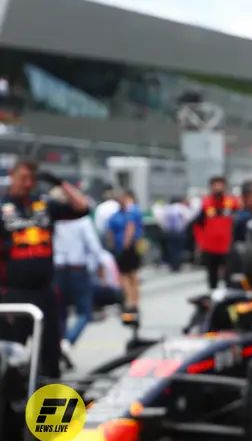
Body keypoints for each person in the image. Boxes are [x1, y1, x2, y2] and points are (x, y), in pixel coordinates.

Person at [0, 160, 89, 378]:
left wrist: (60, 183)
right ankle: (11, 408)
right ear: (12, 175)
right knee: (11, 358)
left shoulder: (45, 204)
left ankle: (50, 409)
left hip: (45, 293)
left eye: (32, 179)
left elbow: (82, 207)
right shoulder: (2, 206)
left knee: (50, 356)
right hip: (13, 295)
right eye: (23, 178)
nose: (28, 184)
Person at [51, 188, 107, 361]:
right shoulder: (81, 219)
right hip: (77, 269)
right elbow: (94, 246)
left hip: (58, 269)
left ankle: (60, 344)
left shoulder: (54, 220)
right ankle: (67, 342)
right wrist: (99, 267)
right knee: (84, 312)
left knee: (60, 313)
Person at [193, 176, 240, 290]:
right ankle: (213, 297)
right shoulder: (206, 204)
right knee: (212, 275)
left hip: (227, 246)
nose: (218, 188)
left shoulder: (232, 203)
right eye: (215, 185)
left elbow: (240, 221)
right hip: (210, 247)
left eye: (220, 185)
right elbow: (197, 225)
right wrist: (200, 242)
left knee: (230, 275)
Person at [107, 190, 144, 325]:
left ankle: (132, 301)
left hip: (128, 248)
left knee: (130, 276)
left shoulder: (129, 214)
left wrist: (125, 245)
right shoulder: (116, 216)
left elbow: (131, 229)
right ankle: (131, 300)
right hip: (122, 248)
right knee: (126, 276)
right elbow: (110, 233)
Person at [156, 197, 192, 272]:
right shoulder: (181, 208)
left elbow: (160, 219)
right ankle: (177, 265)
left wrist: (165, 228)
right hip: (179, 232)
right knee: (178, 250)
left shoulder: (166, 208)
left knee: (171, 249)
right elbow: (188, 218)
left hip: (169, 232)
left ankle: (173, 265)